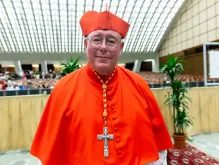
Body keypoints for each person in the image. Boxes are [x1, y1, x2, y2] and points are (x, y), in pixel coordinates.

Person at [31, 10, 173, 165]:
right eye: (96, 40)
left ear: (121, 47)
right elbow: (50, 154)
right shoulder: (63, 89)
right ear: (86, 44)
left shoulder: (139, 85)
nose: (103, 47)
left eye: (111, 41)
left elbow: (157, 150)